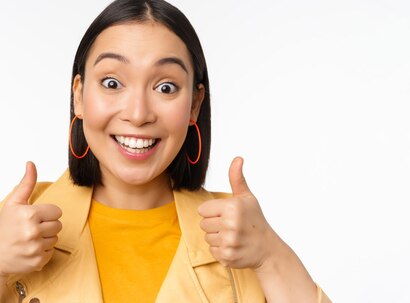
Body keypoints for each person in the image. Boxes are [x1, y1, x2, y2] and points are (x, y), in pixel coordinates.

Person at [0, 0, 331, 302]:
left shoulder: (241, 237)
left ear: (195, 105)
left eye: (166, 87)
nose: (139, 113)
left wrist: (271, 255)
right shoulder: (16, 226)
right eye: (112, 83)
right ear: (79, 95)